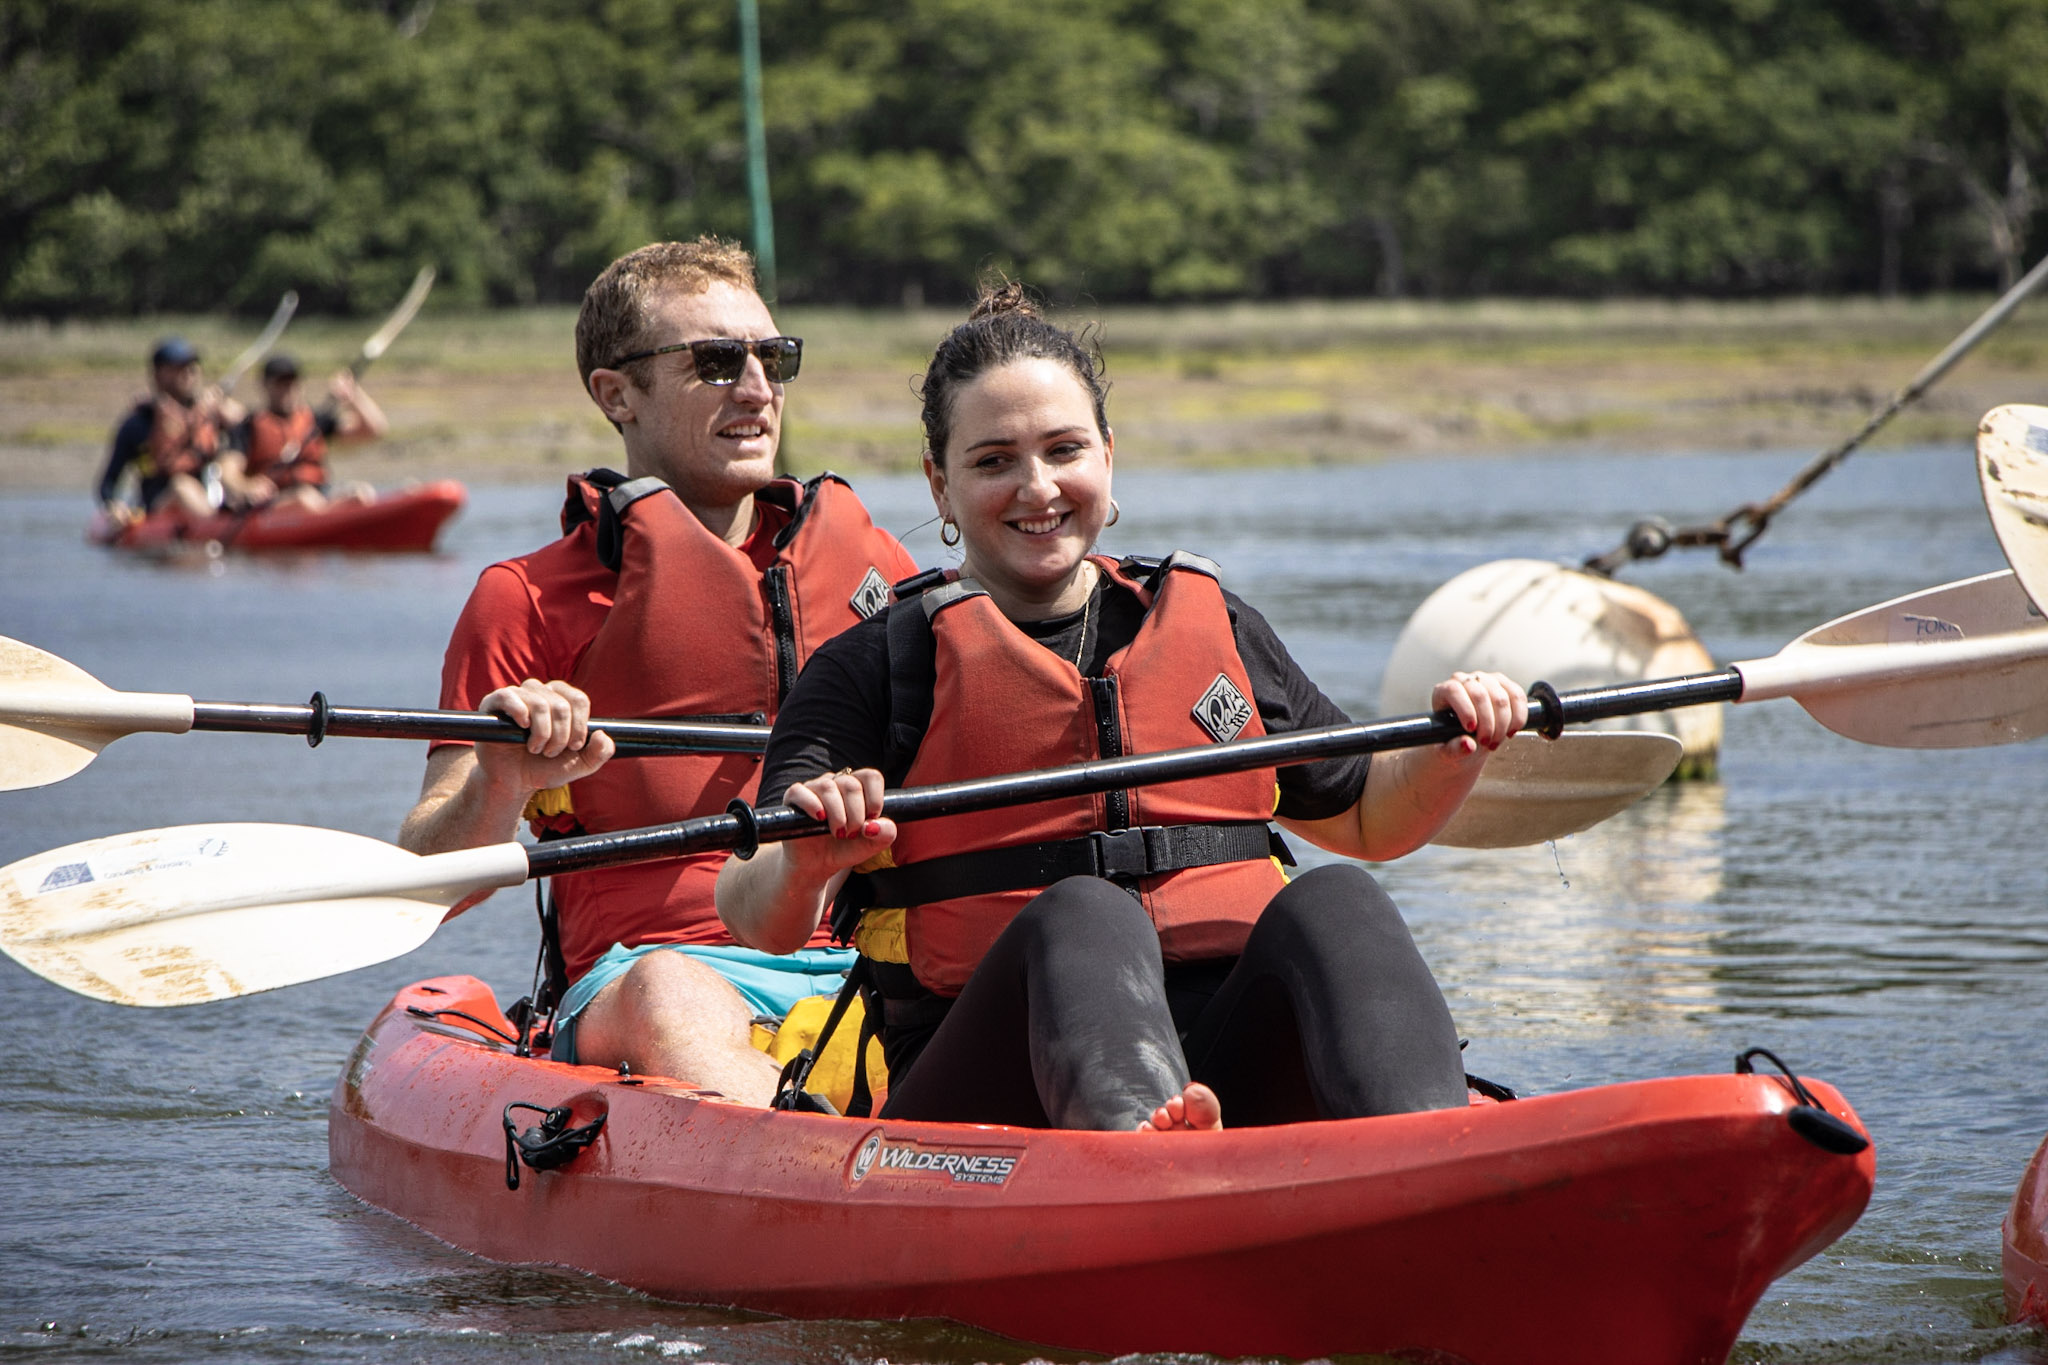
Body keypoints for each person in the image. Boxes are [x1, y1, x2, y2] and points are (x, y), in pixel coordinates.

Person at [716, 284, 1528, 1133]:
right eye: (994, 461)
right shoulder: (876, 666)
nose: (1039, 488)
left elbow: (1368, 820)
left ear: (1108, 452)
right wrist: (807, 861)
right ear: (940, 484)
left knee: (1341, 899)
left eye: (1064, 449)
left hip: (1224, 1068)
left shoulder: (1218, 626)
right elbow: (750, 909)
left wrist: (1453, 749)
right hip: (994, 1099)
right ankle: (1142, 1151)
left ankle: (1430, 1142)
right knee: (1084, 906)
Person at [399, 237, 917, 1105]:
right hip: (642, 982)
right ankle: (822, 1161)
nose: (757, 388)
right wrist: (502, 783)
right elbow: (421, 883)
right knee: (667, 987)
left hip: (859, 968)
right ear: (617, 393)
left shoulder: (875, 568)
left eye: (773, 356)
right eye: (716, 362)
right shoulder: (524, 598)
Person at [96, 337, 243, 523]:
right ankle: (217, 525)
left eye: (192, 367)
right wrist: (114, 505)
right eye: (178, 368)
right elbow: (108, 483)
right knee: (182, 486)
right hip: (159, 501)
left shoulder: (210, 412)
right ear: (158, 374)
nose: (188, 374)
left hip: (209, 494)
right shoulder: (140, 422)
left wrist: (224, 407)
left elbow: (248, 430)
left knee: (229, 465)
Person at [223, 354, 388, 511]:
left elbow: (374, 429)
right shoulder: (248, 426)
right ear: (265, 385)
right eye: (280, 384)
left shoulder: (314, 421)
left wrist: (352, 396)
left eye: (291, 383)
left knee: (361, 493)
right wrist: (247, 487)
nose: (287, 390)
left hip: (319, 496)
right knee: (303, 499)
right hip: (273, 503)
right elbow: (228, 471)